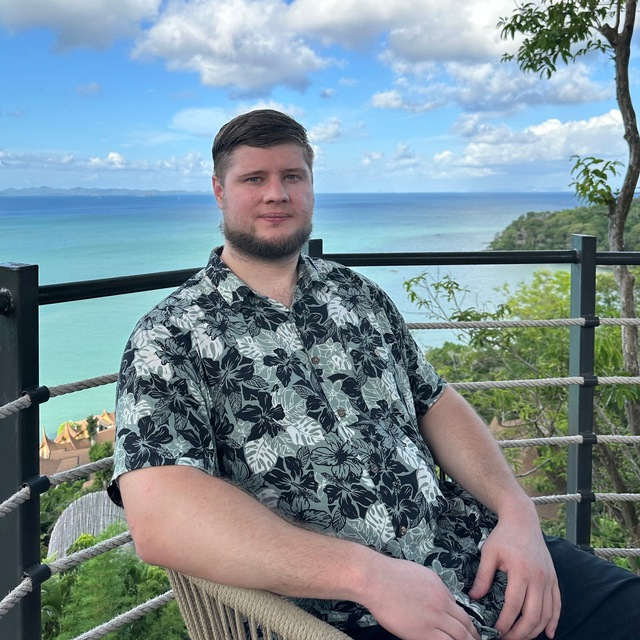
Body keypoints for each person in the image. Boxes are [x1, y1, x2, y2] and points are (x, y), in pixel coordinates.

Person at [108, 109, 640, 640]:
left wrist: (516, 511)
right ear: (219, 192)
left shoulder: (360, 296)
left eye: (293, 176)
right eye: (254, 179)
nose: (277, 194)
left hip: (476, 555)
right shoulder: (170, 336)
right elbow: (159, 518)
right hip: (349, 615)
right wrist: (367, 576)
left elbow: (435, 402)